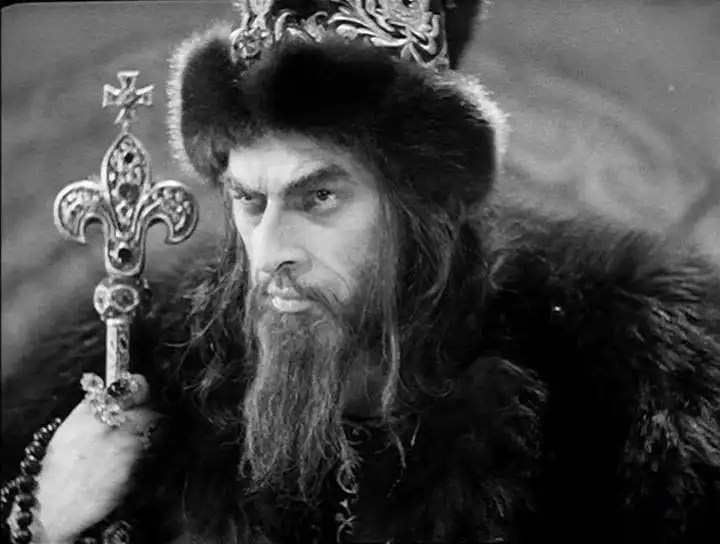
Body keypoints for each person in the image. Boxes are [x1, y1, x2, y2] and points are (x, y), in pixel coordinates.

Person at [2, 0, 719, 542]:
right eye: (249, 201)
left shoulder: (627, 374)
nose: (270, 250)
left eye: (318, 197)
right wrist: (45, 516)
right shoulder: (144, 361)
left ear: (423, 203)